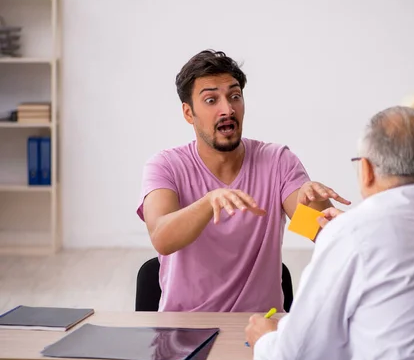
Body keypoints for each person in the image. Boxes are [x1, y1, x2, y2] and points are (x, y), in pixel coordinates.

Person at [245, 106, 414, 360]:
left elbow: (291, 359)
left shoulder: (354, 234)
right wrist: (349, 231)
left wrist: (264, 339)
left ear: (366, 169)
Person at [136, 49, 349, 313]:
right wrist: (208, 202)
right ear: (188, 113)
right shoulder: (165, 166)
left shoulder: (277, 162)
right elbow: (162, 238)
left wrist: (315, 203)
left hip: (261, 330)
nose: (227, 109)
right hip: (186, 330)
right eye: (211, 100)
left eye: (234, 96)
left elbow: (317, 230)